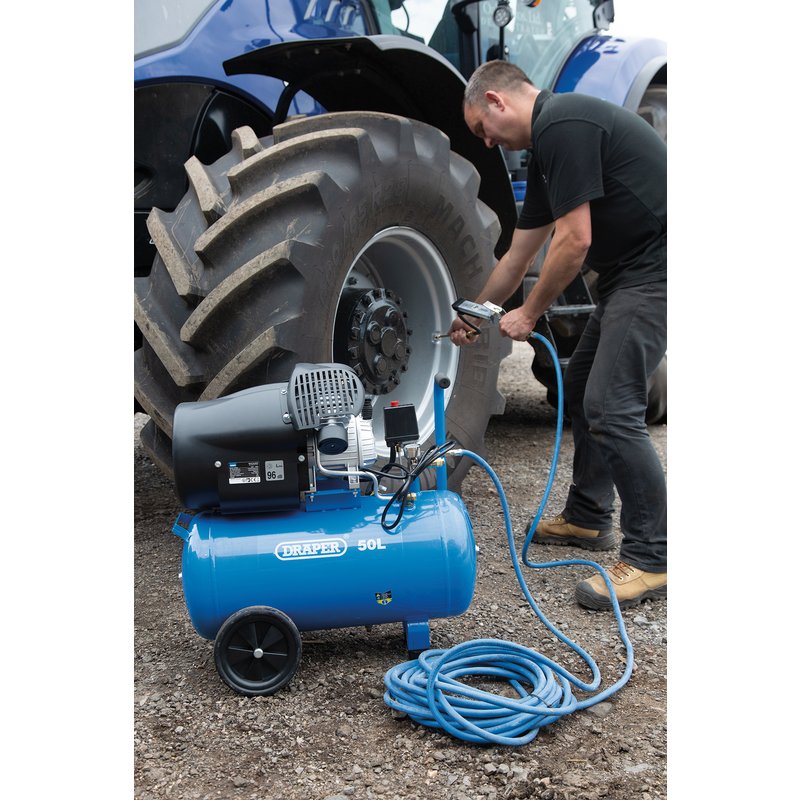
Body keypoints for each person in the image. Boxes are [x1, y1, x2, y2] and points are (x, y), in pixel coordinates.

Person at [449, 60, 667, 611]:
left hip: (657, 270)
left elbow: (574, 241)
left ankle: (653, 556)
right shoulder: (549, 151)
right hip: (627, 274)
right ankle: (589, 518)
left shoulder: (563, 125)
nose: (488, 142)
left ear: (496, 101)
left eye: (482, 129)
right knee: (585, 385)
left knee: (612, 407)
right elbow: (517, 257)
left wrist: (528, 312)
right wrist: (474, 314)